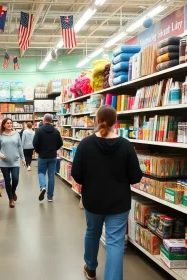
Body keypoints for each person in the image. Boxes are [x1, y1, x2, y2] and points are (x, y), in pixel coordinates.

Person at [71, 105, 142, 280]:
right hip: (119, 202)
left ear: (97, 120)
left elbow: (76, 174)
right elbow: (135, 177)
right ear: (115, 122)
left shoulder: (86, 144)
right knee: (115, 242)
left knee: (92, 232)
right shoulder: (126, 146)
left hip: (93, 200)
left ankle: (91, 268)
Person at [0, 118, 26, 208]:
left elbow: (20, 147)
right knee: (7, 181)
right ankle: (10, 199)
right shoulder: (0, 135)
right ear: (4, 125)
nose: (9, 124)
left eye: (10, 123)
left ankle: (13, 191)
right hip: (4, 162)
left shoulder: (16, 134)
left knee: (15, 179)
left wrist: (23, 158)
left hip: (15, 161)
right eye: (7, 123)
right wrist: (0, 155)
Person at [33, 113, 63, 202]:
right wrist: (54, 149)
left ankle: (42, 187)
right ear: (51, 121)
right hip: (52, 156)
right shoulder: (56, 131)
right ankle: (50, 197)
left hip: (42, 156)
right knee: (51, 175)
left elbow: (35, 143)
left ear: (44, 120)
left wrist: (39, 151)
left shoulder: (39, 130)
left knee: (41, 172)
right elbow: (60, 143)